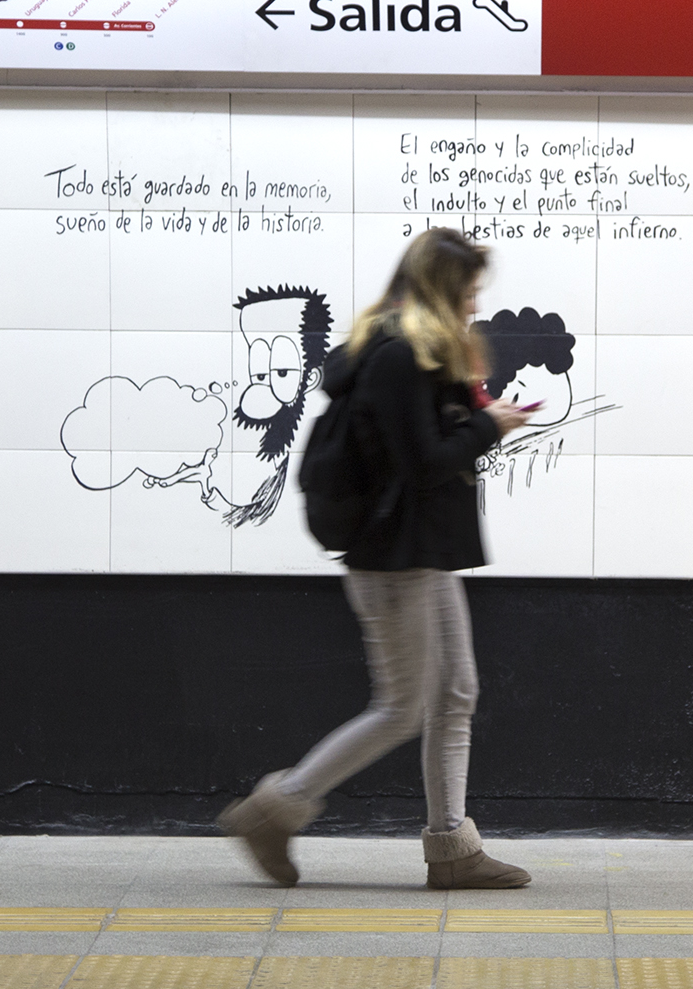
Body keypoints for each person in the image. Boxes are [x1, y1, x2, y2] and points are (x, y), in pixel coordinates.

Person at [218, 228, 534, 890]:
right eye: (469, 293)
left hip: (420, 551)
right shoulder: (396, 355)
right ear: (443, 291)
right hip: (393, 560)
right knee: (402, 707)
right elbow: (422, 463)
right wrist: (487, 426)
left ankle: (453, 849)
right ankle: (274, 810)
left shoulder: (410, 351)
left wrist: (477, 417)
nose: (475, 307)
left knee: (455, 692)